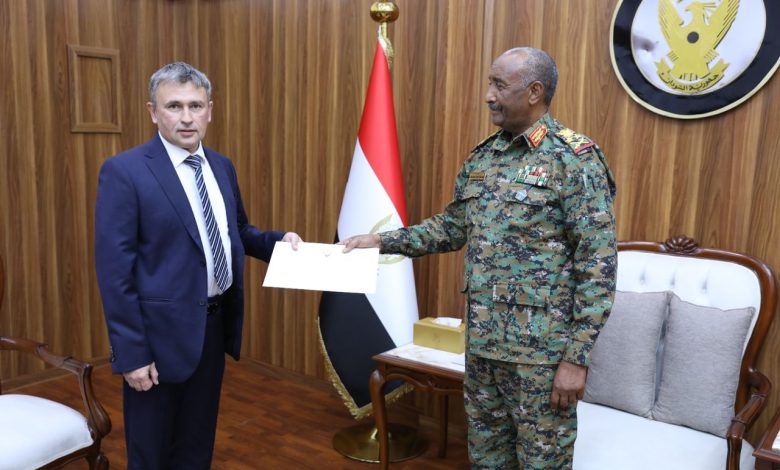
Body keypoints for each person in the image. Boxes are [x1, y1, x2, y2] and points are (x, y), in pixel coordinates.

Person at [341, 47, 616, 469]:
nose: (489, 95)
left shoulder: (574, 159)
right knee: (486, 460)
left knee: (543, 464)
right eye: (490, 83)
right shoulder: (484, 158)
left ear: (534, 92)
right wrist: (381, 241)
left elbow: (597, 267)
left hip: (540, 359)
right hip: (483, 349)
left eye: (499, 85)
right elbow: (452, 228)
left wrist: (575, 360)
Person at [95, 62, 301, 469]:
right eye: (174, 106)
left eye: (196, 105)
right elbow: (115, 274)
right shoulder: (125, 171)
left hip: (211, 329)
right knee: (151, 453)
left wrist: (279, 242)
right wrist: (132, 354)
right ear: (153, 112)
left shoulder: (221, 166)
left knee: (196, 446)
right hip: (155, 340)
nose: (186, 117)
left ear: (210, 110)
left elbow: (234, 231)